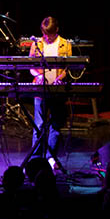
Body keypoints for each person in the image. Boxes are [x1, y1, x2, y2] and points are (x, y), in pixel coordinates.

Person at [28, 16, 73, 170]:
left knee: (55, 125)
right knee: (38, 125)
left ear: (56, 31)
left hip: (56, 90)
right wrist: (38, 75)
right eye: (44, 34)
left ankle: (50, 158)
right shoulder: (37, 44)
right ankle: (35, 158)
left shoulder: (65, 44)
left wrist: (60, 78)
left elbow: (67, 68)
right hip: (40, 89)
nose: (47, 37)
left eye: (50, 34)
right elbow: (30, 66)